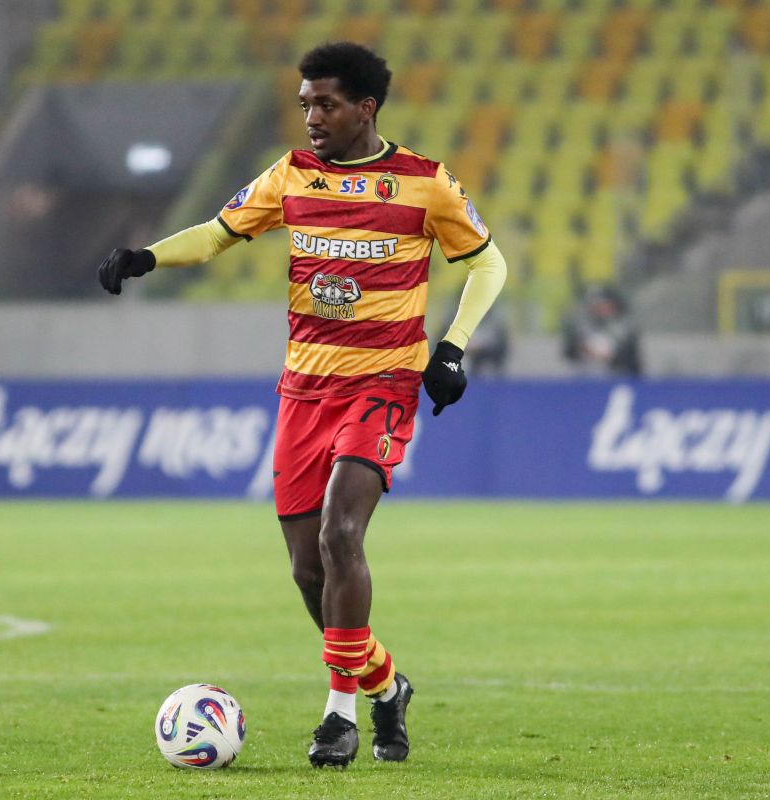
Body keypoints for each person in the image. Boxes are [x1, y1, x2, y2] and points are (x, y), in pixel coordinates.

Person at [97, 42, 506, 768]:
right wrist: (146, 257)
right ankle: (386, 687)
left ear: (365, 108)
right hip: (304, 392)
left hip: (382, 385)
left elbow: (488, 263)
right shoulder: (290, 175)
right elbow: (216, 236)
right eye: (305, 105)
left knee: (341, 534)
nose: (312, 117)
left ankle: (338, 717)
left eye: (326, 104)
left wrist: (452, 348)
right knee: (308, 572)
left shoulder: (424, 183)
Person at [562, 283, 642, 377]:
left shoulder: (625, 327)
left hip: (617, 375)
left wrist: (613, 357)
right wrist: (582, 350)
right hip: (586, 374)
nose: (602, 308)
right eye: (598, 305)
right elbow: (569, 352)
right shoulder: (581, 327)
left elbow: (633, 360)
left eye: (606, 304)